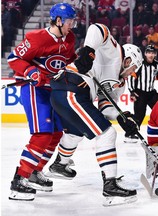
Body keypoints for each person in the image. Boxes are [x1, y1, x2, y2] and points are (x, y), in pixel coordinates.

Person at [47, 23, 143, 206]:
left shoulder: (120, 82)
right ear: (129, 60)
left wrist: (122, 118)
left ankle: (60, 164)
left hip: (68, 92)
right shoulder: (114, 53)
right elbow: (97, 28)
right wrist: (89, 49)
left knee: (75, 132)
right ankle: (110, 187)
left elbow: (105, 106)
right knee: (107, 134)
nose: (131, 74)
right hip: (71, 88)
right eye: (133, 69)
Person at [7, 3, 77, 201]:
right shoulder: (36, 38)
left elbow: (69, 58)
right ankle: (19, 180)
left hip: (54, 91)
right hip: (34, 90)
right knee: (42, 135)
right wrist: (30, 71)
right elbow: (14, 59)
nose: (72, 24)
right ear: (58, 20)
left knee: (55, 134)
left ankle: (35, 172)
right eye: (70, 20)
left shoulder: (69, 38)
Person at [126, 44, 158, 143]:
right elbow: (132, 77)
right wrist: (132, 91)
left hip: (151, 93)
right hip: (140, 93)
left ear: (155, 54)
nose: (150, 55)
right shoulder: (140, 64)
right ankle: (130, 134)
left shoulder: (157, 65)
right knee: (139, 115)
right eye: (149, 52)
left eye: (152, 53)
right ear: (145, 54)